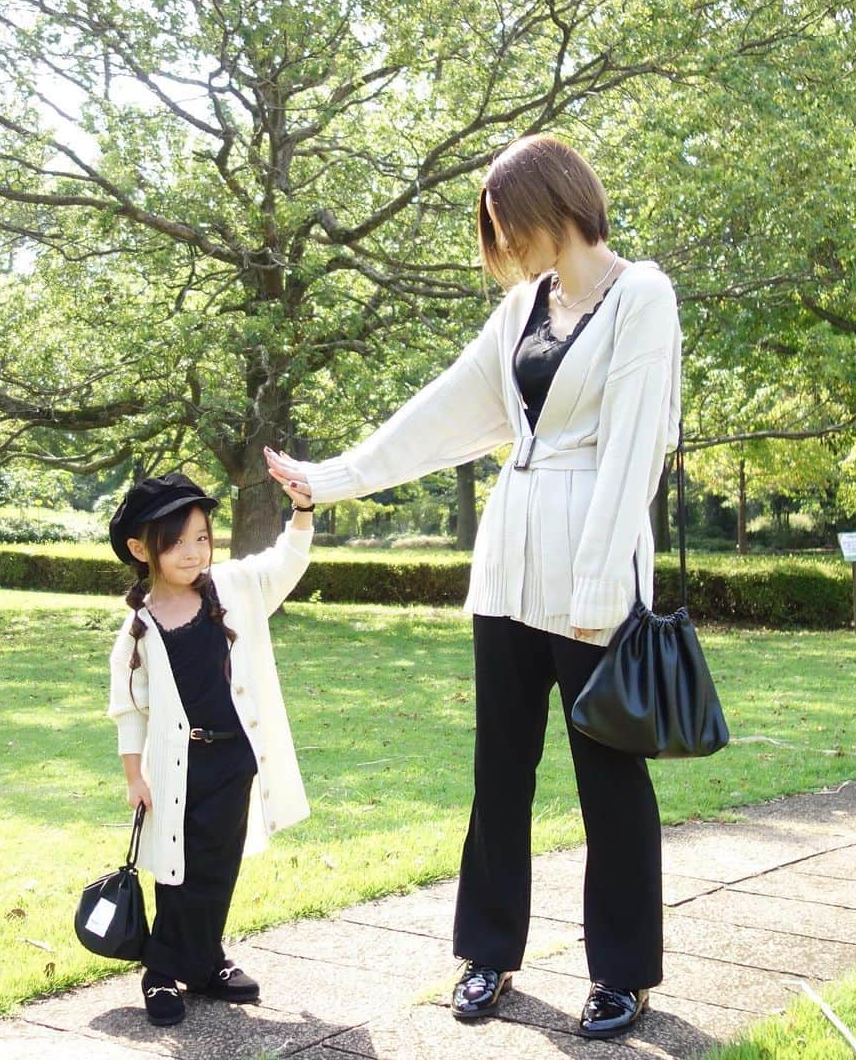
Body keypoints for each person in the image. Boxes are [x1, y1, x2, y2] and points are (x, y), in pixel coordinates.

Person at [265, 134, 681, 1039]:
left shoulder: (641, 297)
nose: (505, 251)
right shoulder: (523, 309)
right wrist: (329, 477)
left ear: (549, 206)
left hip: (592, 580)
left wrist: (601, 593)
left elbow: (635, 453)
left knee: (609, 778)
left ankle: (622, 973)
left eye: (506, 228)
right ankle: (485, 953)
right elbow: (443, 411)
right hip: (508, 572)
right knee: (500, 774)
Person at [106, 471, 315, 1026]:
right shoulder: (139, 626)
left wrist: (302, 512)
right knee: (175, 868)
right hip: (176, 767)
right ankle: (160, 972)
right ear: (139, 548)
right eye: (176, 542)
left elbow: (284, 563)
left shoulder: (234, 588)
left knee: (218, 866)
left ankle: (204, 962)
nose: (193, 552)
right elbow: (130, 708)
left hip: (233, 759)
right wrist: (134, 777)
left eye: (201, 537)